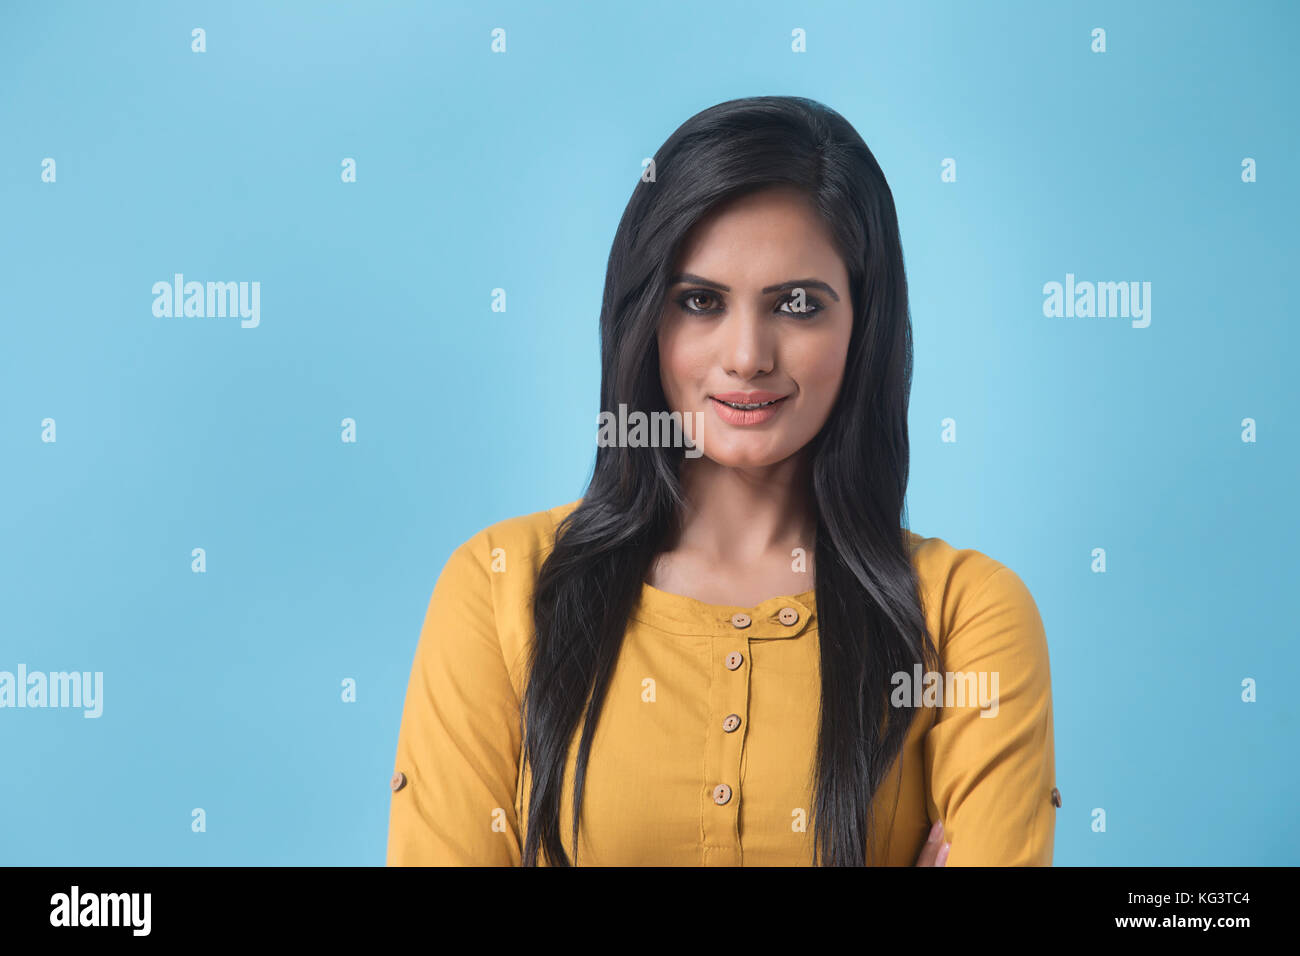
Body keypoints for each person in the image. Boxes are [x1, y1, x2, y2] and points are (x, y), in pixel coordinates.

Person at [386, 95, 1058, 866]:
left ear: (863, 326)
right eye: (700, 302)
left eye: (798, 306)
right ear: (644, 320)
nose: (747, 355)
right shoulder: (499, 587)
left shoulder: (966, 617)